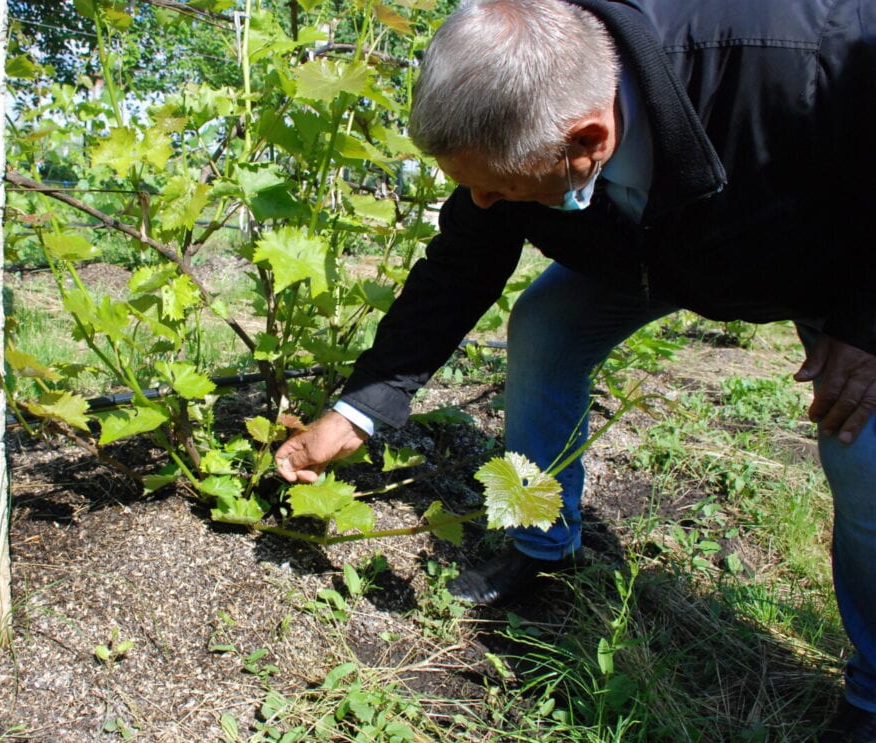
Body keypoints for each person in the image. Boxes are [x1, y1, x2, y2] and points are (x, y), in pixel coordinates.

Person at [273, 0, 876, 737]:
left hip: (829, 256)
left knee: (865, 454)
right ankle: (543, 549)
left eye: (498, 186)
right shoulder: (516, 131)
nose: (482, 202)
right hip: (650, 251)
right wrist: (361, 407)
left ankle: (873, 690)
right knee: (545, 329)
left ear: (588, 139)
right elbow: (459, 268)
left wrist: (863, 323)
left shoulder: (806, 59)